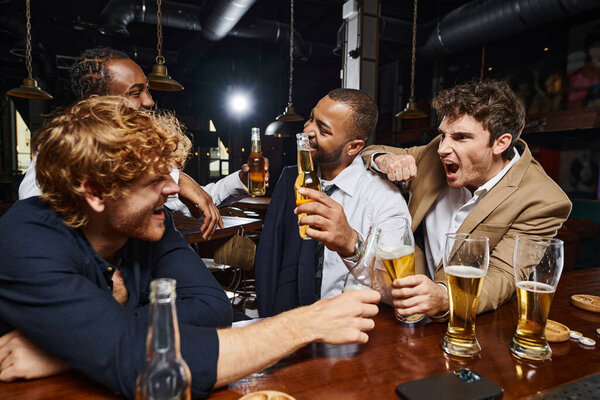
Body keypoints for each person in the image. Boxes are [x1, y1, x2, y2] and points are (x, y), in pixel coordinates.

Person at [0, 97, 380, 398]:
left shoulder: (150, 223)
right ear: (96, 192)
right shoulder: (25, 238)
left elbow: (214, 309)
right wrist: (307, 322)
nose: (172, 189)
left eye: (170, 174)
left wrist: (76, 344)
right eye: (154, 180)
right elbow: (144, 371)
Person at [361, 79, 572, 317]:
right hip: (402, 307)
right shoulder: (435, 153)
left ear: (500, 143)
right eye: (443, 135)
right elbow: (368, 151)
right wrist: (385, 160)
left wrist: (444, 296)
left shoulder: (543, 200)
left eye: (461, 137)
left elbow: (503, 276)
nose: (443, 148)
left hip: (469, 322)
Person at [18, 47, 268, 239]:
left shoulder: (140, 158)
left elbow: (200, 200)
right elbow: (33, 221)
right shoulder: (60, 155)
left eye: (147, 89)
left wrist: (241, 181)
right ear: (97, 103)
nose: (149, 101)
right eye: (136, 93)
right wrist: (177, 177)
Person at [255, 88, 410, 317]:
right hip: (289, 324)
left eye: (323, 130)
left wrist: (351, 242)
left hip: (348, 330)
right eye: (311, 118)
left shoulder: (384, 199)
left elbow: (395, 289)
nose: (307, 130)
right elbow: (269, 256)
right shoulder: (291, 178)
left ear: (354, 147)